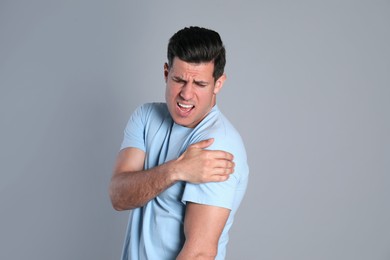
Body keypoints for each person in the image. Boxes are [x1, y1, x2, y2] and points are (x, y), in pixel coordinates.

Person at [109, 26, 249, 260]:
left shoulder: (217, 145)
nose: (186, 94)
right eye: (179, 80)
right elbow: (119, 197)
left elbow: (199, 253)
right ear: (166, 73)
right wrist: (177, 170)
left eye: (200, 84)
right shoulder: (145, 117)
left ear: (218, 84)